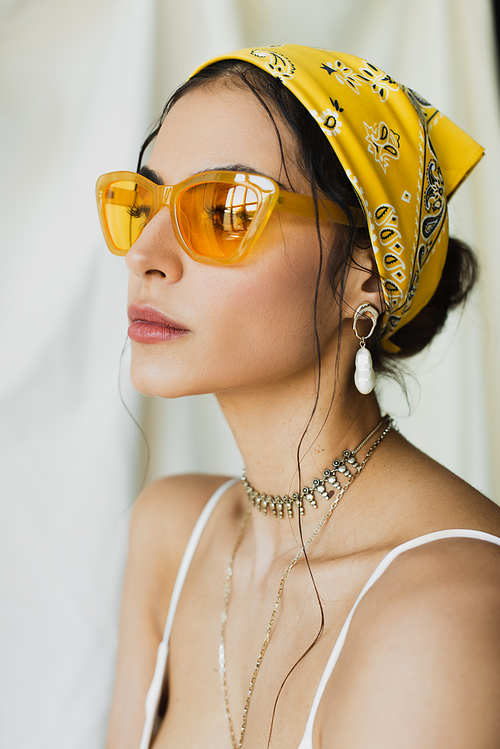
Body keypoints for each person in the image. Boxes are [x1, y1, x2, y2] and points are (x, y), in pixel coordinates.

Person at [96, 45, 500, 749]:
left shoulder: (449, 607)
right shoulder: (170, 536)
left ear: (364, 276)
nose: (146, 254)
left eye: (224, 209)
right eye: (146, 203)